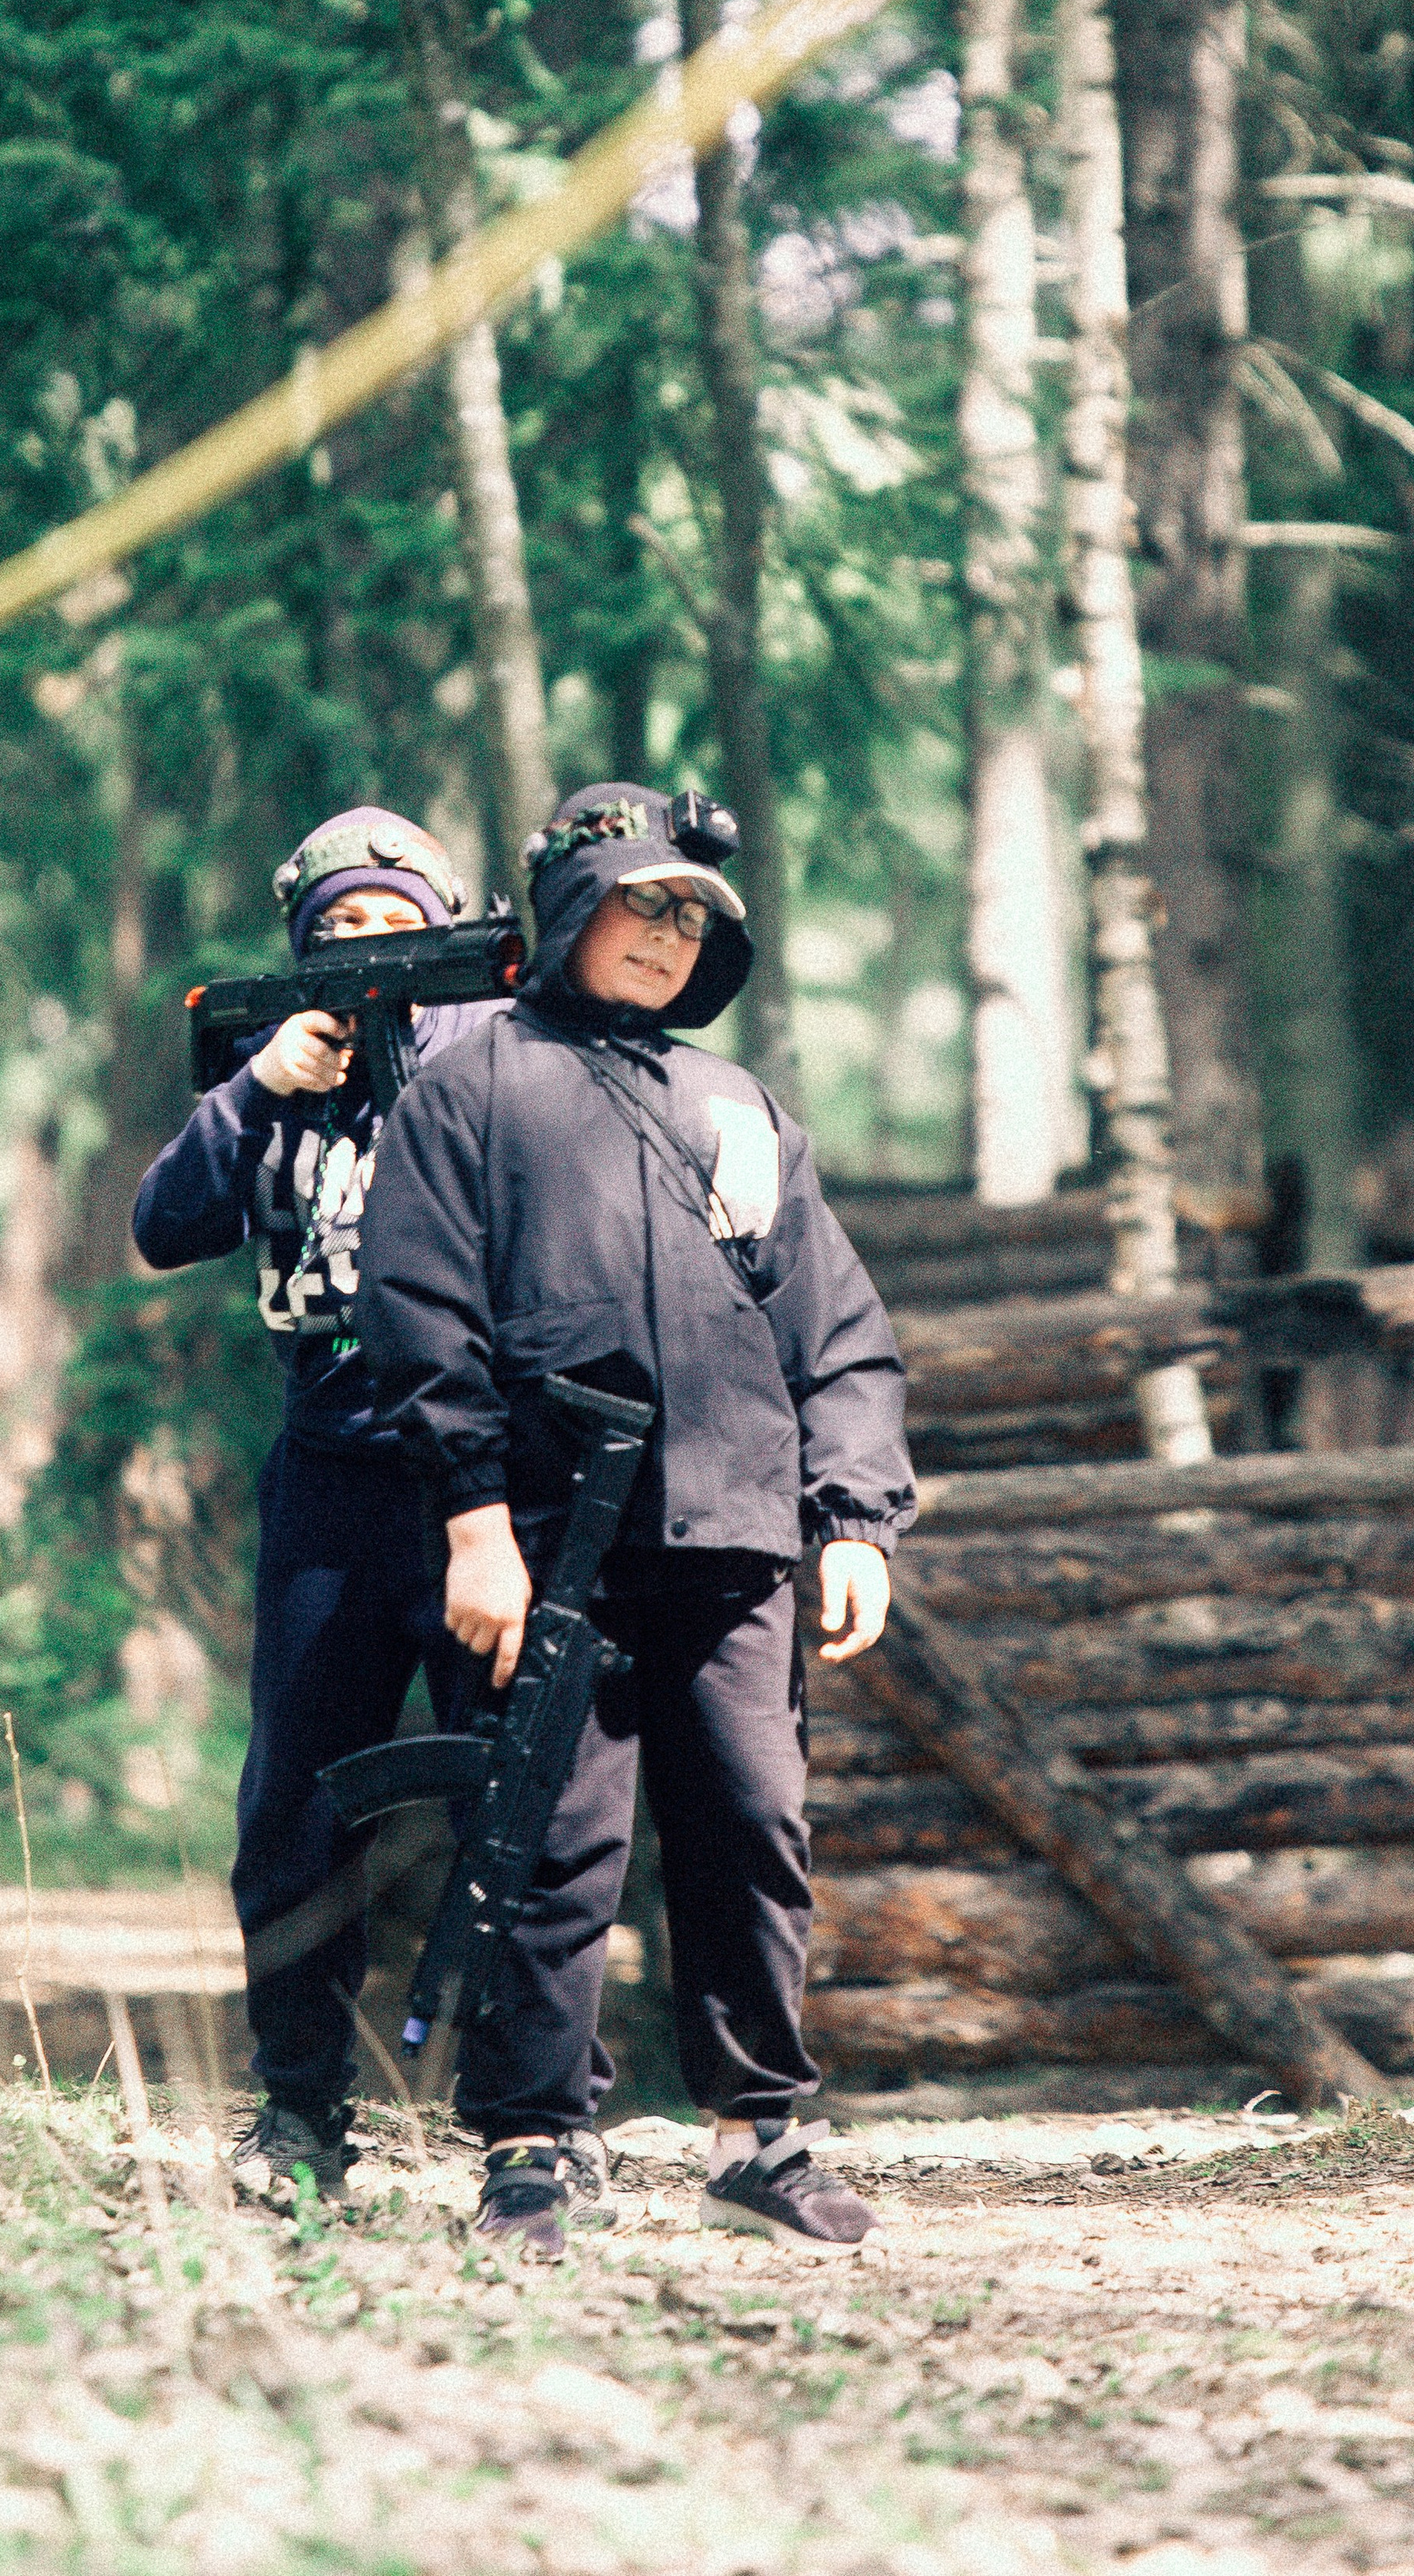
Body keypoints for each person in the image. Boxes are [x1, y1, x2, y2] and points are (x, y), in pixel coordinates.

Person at [356, 781, 917, 2258]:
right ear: (571, 910)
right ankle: (533, 2145)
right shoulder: (472, 1090)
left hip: (736, 1539)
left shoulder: (739, 1107)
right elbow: (420, 1318)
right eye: (643, 901)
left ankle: (759, 2137)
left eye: (693, 916)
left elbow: (838, 1332)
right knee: (547, 1838)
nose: (669, 936)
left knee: (750, 1825)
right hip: (550, 1540)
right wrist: (477, 1519)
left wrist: (853, 1513)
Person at [131, 809, 502, 2199]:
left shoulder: (494, 1060)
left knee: (517, 1798)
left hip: (486, 1486)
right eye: (336, 929)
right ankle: (299, 2114)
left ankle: (527, 2123)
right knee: (294, 1806)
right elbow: (167, 1226)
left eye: (392, 924)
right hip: (332, 1483)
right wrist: (257, 1090)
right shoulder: (271, 1069)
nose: (364, 949)